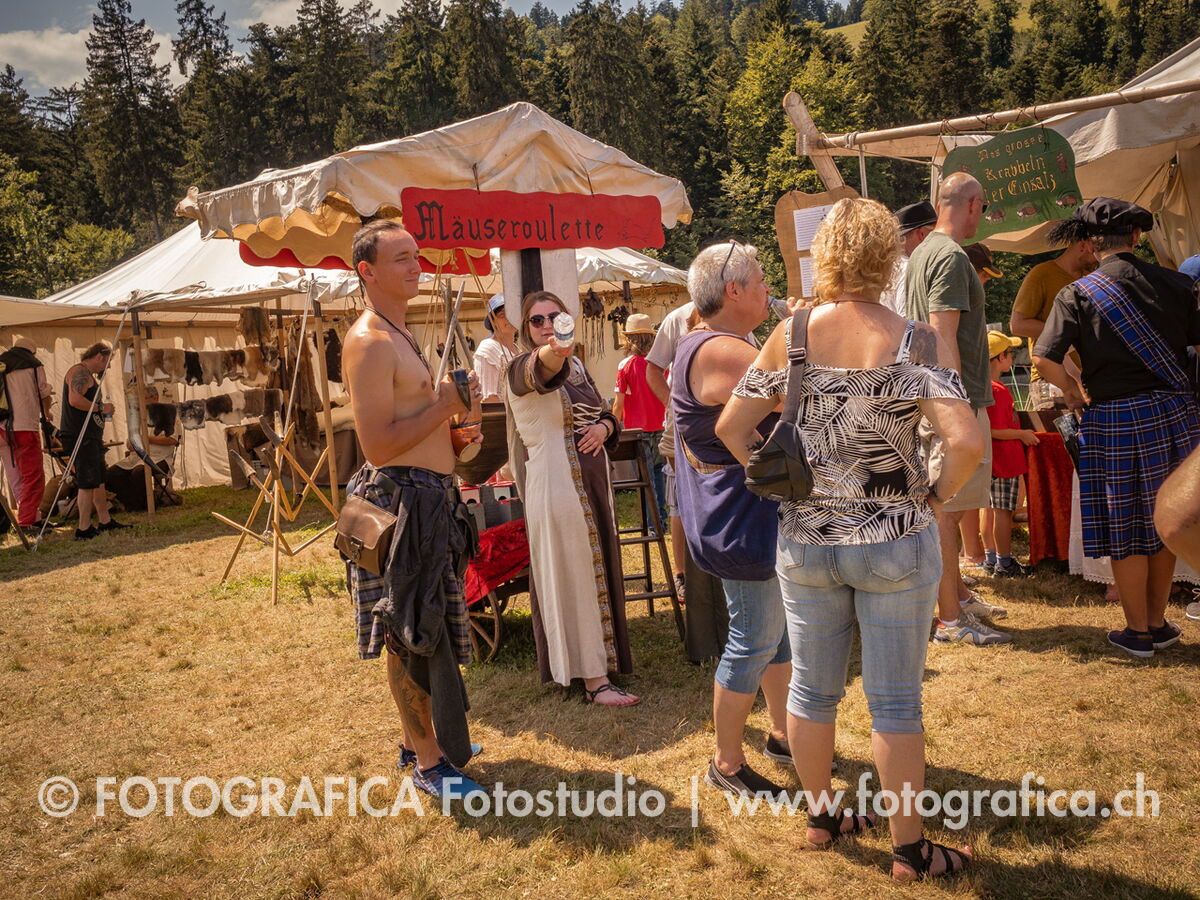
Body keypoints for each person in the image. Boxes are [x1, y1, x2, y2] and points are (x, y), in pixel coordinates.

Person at [719, 198, 981, 880]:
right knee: (895, 702)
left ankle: (821, 816)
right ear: (888, 257)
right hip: (895, 535)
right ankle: (909, 850)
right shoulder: (913, 338)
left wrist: (776, 475)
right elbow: (966, 442)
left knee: (811, 692)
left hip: (806, 539)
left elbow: (729, 426)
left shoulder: (791, 334)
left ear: (826, 256)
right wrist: (934, 496)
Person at [341, 219, 487, 799]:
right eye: (401, 258)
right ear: (368, 271)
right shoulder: (370, 341)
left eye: (416, 255)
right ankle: (429, 763)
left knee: (423, 627)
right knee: (409, 631)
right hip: (400, 504)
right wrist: (445, 405)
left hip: (427, 499)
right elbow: (378, 445)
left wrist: (452, 434)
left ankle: (416, 744)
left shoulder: (398, 332)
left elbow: (412, 425)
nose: (415, 266)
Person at [1033, 198, 1200, 659]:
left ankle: (1137, 632)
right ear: (1137, 237)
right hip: (1176, 415)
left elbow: (1042, 358)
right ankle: (1158, 623)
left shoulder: (1077, 293)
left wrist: (1072, 391)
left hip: (1114, 418)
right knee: (1165, 520)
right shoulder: (1179, 283)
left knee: (1126, 525)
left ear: (1089, 244)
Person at [674, 241, 792, 800]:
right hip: (742, 517)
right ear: (733, 290)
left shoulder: (709, 342)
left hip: (743, 512)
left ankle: (783, 734)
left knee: (776, 633)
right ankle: (726, 762)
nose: (768, 288)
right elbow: (801, 393)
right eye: (761, 280)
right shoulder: (724, 350)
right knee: (753, 637)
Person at [505, 289, 638, 706]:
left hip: (592, 484)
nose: (546, 325)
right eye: (537, 320)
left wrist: (604, 428)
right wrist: (559, 342)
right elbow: (546, 363)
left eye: (555, 317)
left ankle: (601, 665)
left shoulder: (578, 366)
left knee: (595, 566)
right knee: (576, 573)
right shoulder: (519, 368)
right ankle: (594, 680)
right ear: (526, 328)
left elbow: (606, 410)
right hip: (556, 485)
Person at [906, 172, 1011, 644]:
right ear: (972, 204)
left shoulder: (923, 251)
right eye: (983, 208)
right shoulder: (949, 255)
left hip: (933, 396)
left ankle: (960, 599)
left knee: (943, 510)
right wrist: (956, 407)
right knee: (945, 514)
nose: (981, 217)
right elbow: (941, 331)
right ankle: (951, 621)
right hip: (952, 399)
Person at [957, 243, 1003, 571]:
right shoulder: (958, 297)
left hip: (967, 398)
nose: (985, 282)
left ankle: (970, 553)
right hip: (964, 401)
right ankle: (972, 555)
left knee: (969, 488)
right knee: (965, 487)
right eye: (984, 275)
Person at [1009, 215, 1097, 382]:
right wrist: (1071, 333)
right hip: (1051, 379)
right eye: (1096, 250)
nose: (1099, 256)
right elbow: (1018, 325)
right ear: (1083, 246)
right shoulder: (1041, 274)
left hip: (1090, 376)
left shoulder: (1092, 276)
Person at [59, 342, 129, 540]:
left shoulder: (87, 375)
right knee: (87, 482)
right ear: (99, 357)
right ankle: (83, 528)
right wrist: (101, 408)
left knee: (98, 480)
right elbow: (74, 400)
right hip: (80, 436)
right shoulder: (79, 372)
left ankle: (105, 520)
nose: (108, 366)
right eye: (107, 362)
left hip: (91, 436)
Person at [981, 331, 1038, 577]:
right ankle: (1004, 563)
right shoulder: (998, 391)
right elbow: (994, 430)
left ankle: (990, 557)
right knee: (1003, 512)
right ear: (1000, 358)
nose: (1012, 357)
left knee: (989, 509)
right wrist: (1022, 434)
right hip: (1004, 461)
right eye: (1010, 353)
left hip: (991, 461)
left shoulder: (984, 388)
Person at [613, 313, 667, 528]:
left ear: (628, 339)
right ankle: (661, 519)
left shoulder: (625, 365)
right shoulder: (660, 363)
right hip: (662, 426)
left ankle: (653, 524)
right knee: (659, 474)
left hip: (637, 431)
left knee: (645, 479)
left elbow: (618, 404)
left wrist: (613, 426)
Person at [0, 337, 52, 531]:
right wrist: (47, 412)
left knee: (15, 476)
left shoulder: (2, 363)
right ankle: (27, 521)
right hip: (24, 426)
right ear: (32, 351)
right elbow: (44, 393)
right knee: (33, 476)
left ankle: (32, 517)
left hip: (2, 427)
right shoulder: (33, 364)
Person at [106, 385, 183, 510]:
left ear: (155, 398)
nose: (141, 402)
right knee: (111, 474)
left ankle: (145, 505)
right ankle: (130, 503)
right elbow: (130, 442)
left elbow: (172, 440)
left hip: (160, 458)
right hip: (137, 457)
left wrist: (146, 439)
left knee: (139, 472)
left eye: (144, 398)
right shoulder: (139, 417)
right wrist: (132, 444)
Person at [879, 200, 937, 317]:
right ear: (921, 234)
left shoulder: (885, 266)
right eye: (934, 233)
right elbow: (907, 320)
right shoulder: (909, 269)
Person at [473, 293, 518, 403]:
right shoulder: (488, 349)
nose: (509, 318)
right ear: (493, 322)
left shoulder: (518, 350)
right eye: (502, 315)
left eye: (513, 313)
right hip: (500, 413)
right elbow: (488, 399)